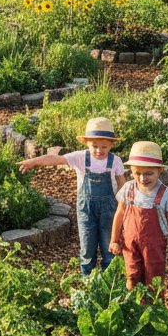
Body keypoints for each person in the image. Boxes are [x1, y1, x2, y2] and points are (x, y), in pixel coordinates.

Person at [19, 117, 126, 274]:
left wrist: (124, 206)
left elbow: (122, 184)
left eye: (104, 146)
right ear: (87, 143)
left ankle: (108, 282)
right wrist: (34, 161)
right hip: (86, 211)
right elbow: (56, 159)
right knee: (87, 247)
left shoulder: (115, 161)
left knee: (108, 246)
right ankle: (88, 279)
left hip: (109, 211)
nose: (99, 150)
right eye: (94, 146)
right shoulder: (81, 157)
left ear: (111, 144)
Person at [111, 140, 168, 293]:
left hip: (154, 247)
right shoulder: (128, 189)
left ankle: (154, 311)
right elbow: (120, 213)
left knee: (154, 280)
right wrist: (114, 240)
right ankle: (134, 310)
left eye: (149, 173)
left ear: (159, 171)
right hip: (130, 244)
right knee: (132, 276)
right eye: (137, 173)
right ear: (131, 171)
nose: (143, 178)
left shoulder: (165, 194)